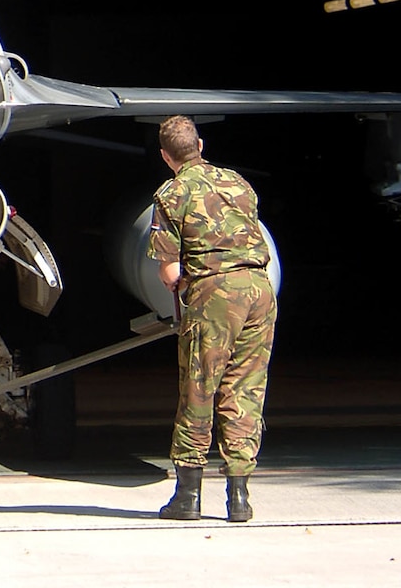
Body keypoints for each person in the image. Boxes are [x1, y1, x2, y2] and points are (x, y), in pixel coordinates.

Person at [147, 115, 275, 523]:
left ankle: (188, 495)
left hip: (213, 296)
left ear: (167, 156)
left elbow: (168, 269)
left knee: (199, 390)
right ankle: (240, 497)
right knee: (246, 388)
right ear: (200, 144)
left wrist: (185, 285)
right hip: (259, 288)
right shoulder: (239, 182)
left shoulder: (171, 194)